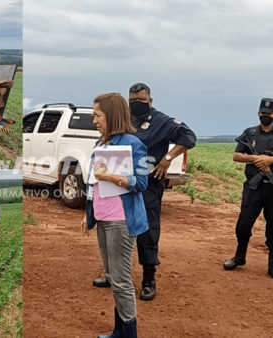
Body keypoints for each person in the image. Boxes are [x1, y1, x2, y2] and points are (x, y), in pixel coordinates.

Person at [93, 83, 197, 302]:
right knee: (116, 229)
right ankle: (113, 274)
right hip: (117, 187)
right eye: (133, 100)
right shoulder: (124, 119)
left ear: (150, 101)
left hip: (147, 184)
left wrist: (167, 159)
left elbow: (189, 138)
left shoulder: (162, 122)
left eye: (141, 100)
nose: (136, 104)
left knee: (147, 232)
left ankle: (149, 278)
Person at [81, 93, 149, 338]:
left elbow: (141, 182)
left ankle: (129, 333)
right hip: (103, 218)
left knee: (121, 281)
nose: (95, 121)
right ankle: (119, 330)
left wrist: (110, 176)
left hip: (121, 221)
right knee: (112, 276)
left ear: (111, 115)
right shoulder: (102, 143)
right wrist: (88, 214)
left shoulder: (132, 143)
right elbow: (93, 185)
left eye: (98, 116)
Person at [223, 98, 273, 280]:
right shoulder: (249, 133)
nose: (265, 116)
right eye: (262, 114)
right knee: (244, 225)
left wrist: (271, 160)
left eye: (268, 114)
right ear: (258, 114)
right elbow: (237, 156)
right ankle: (239, 257)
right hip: (253, 187)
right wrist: (255, 159)